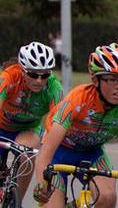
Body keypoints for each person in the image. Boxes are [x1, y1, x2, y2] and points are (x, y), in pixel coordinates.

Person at [33, 43, 118, 208]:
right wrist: (42, 184)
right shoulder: (78, 99)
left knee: (107, 197)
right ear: (95, 80)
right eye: (113, 79)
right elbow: (46, 151)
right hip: (58, 152)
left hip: (91, 153)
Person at [0, 42, 63, 200]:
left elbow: (58, 122)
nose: (39, 81)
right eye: (34, 75)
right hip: (1, 126)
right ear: (22, 70)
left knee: (28, 151)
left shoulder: (54, 88)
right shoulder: (9, 77)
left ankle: (16, 200)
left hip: (27, 129)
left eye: (45, 75)